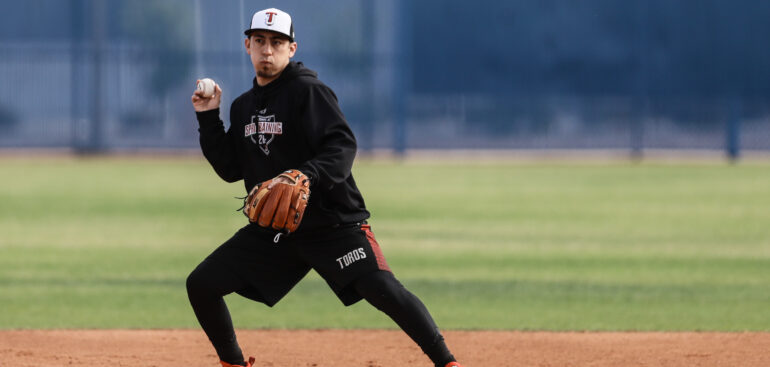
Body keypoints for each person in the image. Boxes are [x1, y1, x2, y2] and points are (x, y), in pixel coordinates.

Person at [187, 8, 464, 367]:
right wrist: (209, 117)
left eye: (276, 42)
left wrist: (306, 175)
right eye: (259, 42)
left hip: (332, 224)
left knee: (382, 289)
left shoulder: (310, 91)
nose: (267, 50)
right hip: (278, 231)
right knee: (202, 284)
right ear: (247, 46)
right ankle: (233, 363)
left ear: (292, 48)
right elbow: (228, 169)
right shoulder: (242, 108)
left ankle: (447, 362)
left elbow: (342, 147)